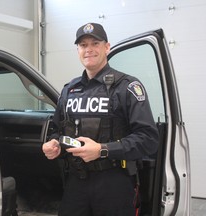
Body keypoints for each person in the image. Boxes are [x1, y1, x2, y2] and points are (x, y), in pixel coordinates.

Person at [42, 22, 159, 216]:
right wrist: (54, 144)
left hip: (114, 183)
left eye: (95, 43)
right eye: (83, 45)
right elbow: (57, 130)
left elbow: (149, 139)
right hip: (76, 183)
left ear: (107, 47)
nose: (89, 49)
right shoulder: (69, 90)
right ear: (78, 50)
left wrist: (103, 150)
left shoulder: (127, 87)